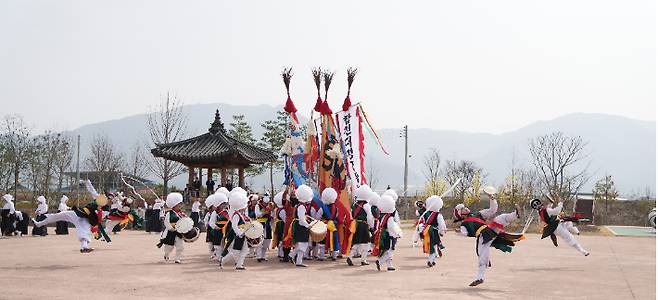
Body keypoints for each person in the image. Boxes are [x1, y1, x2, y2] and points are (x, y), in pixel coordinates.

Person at [453, 190, 524, 287]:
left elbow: (492, 210)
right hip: (482, 238)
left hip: (490, 230)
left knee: (500, 218)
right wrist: (459, 232)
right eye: (463, 209)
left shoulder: (479, 214)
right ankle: (480, 278)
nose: (466, 208)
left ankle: (515, 214)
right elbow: (465, 233)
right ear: (461, 214)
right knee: (483, 258)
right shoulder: (464, 224)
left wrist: (492, 198)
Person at [32, 179, 104, 253]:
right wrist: (88, 183)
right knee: (58, 215)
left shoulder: (105, 209)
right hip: (78, 214)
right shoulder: (99, 199)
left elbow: (98, 218)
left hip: (86, 219)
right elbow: (92, 191)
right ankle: (39, 223)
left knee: (84, 231)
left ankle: (84, 247)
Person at [219, 189, 250, 270]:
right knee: (235, 251)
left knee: (245, 250)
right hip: (239, 235)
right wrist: (239, 233)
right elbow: (234, 225)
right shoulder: (236, 215)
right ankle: (223, 260)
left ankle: (239, 264)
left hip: (243, 234)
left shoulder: (240, 214)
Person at [346, 185, 375, 266]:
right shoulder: (366, 205)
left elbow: (351, 216)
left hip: (355, 225)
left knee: (356, 242)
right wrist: (371, 226)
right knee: (367, 242)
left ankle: (350, 257)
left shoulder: (354, 205)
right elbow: (369, 217)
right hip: (363, 225)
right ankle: (363, 260)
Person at [418, 195, 447, 267]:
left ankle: (433, 260)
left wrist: (421, 230)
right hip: (433, 232)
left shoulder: (425, 214)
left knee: (430, 245)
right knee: (433, 246)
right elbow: (441, 225)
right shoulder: (438, 215)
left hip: (426, 231)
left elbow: (421, 222)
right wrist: (442, 231)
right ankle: (430, 260)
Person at [157, 192, 186, 264]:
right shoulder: (169, 213)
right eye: (178, 204)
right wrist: (171, 228)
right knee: (169, 246)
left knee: (180, 246)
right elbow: (166, 222)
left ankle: (177, 258)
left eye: (180, 204)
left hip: (179, 232)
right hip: (171, 232)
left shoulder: (182, 214)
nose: (180, 205)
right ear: (174, 205)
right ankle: (166, 254)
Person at [373, 195, 401, 271]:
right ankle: (380, 261)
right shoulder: (390, 217)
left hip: (383, 235)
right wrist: (398, 233)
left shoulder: (382, 215)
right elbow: (392, 227)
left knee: (386, 250)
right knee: (390, 250)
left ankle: (390, 265)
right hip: (390, 235)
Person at [289, 184, 313, 267]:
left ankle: (297, 260)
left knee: (301, 244)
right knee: (303, 244)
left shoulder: (300, 205)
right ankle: (292, 255)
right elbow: (302, 219)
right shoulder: (302, 206)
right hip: (301, 226)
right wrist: (308, 225)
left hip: (299, 225)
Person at [319, 188, 342, 261]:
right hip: (333, 225)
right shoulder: (336, 208)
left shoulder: (322, 208)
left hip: (324, 224)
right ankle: (334, 257)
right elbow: (337, 216)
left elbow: (318, 216)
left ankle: (322, 257)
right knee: (334, 239)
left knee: (322, 240)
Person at [255, 193, 273, 262]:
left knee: (267, 240)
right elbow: (257, 214)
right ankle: (258, 256)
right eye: (265, 203)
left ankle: (263, 256)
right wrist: (264, 213)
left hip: (268, 224)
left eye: (267, 203)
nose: (266, 204)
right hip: (260, 224)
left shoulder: (270, 206)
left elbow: (272, 214)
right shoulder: (258, 206)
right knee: (260, 240)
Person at [271, 191, 287, 261]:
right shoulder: (282, 210)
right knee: (281, 239)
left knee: (279, 239)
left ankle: (280, 253)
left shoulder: (277, 209)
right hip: (282, 225)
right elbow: (285, 219)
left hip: (278, 224)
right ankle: (281, 253)